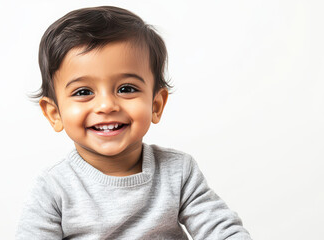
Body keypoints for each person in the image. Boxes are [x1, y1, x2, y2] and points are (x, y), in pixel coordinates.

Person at [16, 6, 252, 240]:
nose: (107, 105)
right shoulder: (53, 188)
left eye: (126, 89)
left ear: (156, 105)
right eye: (83, 91)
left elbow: (222, 230)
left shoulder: (178, 171)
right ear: (54, 113)